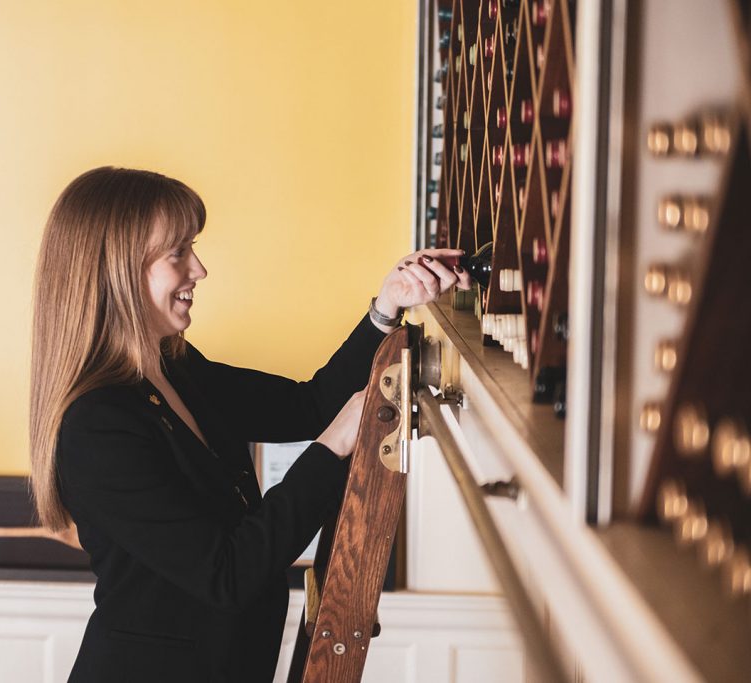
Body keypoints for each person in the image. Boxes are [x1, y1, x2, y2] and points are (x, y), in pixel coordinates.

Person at [29, 167, 470, 682]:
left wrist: (386, 305)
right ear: (117, 270)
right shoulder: (96, 426)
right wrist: (332, 447)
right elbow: (226, 574)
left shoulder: (176, 369)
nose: (199, 269)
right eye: (177, 252)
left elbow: (309, 404)